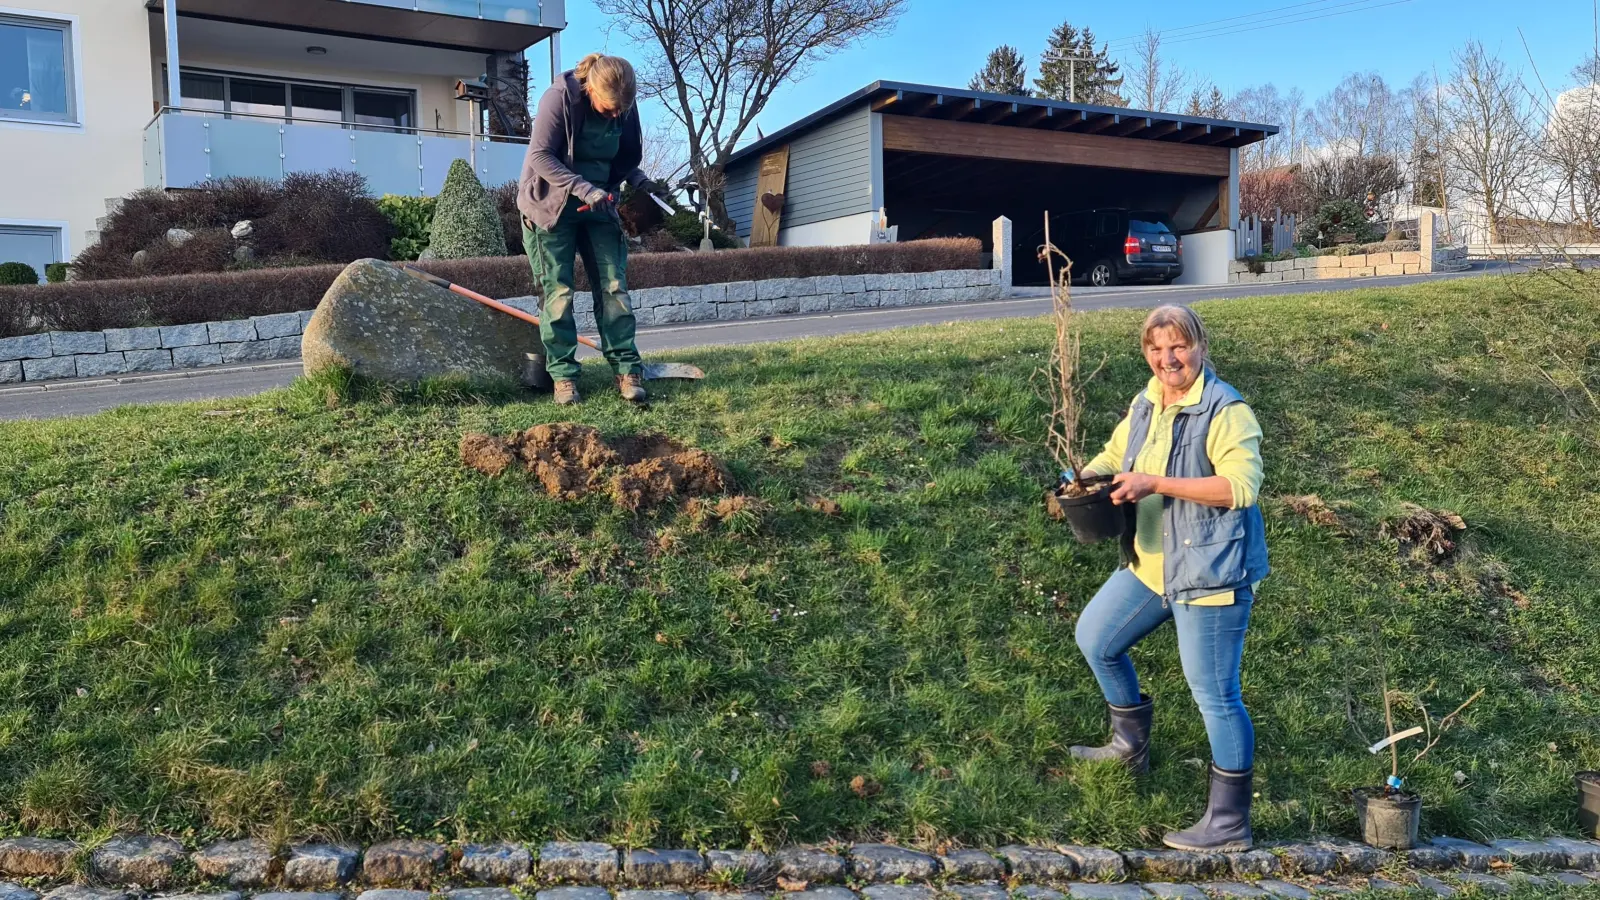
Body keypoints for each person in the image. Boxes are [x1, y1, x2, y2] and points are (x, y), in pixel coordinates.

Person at [1070, 304, 1269, 852]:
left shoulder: (1227, 410)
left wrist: (1155, 482)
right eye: (1156, 349)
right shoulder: (1147, 401)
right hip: (1153, 566)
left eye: (1177, 347)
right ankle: (1129, 747)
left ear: (1199, 346)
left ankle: (1229, 824)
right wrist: (1078, 479)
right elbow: (1117, 454)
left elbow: (1238, 488)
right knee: (1097, 639)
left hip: (1209, 571)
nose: (1168, 359)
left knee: (1215, 695)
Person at [518, 53, 658, 405]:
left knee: (614, 287)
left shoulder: (624, 105)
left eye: (620, 111)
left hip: (601, 204)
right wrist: (584, 187)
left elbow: (623, 158)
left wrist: (639, 181)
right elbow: (539, 156)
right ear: (591, 89)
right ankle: (563, 376)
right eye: (608, 109)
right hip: (550, 207)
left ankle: (627, 369)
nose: (615, 115)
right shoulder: (559, 97)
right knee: (559, 293)